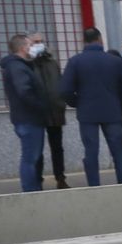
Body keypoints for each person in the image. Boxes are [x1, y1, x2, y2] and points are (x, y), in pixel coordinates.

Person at [60, 27, 122, 185]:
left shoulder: (75, 61)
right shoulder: (115, 61)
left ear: (84, 41)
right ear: (101, 40)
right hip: (112, 112)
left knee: (91, 152)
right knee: (118, 151)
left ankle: (94, 186)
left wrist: (77, 103)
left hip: (87, 113)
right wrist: (117, 101)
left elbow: (65, 90)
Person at [0, 33, 47, 193]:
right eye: (30, 44)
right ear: (22, 48)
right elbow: (24, 92)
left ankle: (33, 189)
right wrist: (41, 105)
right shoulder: (17, 67)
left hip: (28, 118)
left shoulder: (20, 65)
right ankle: (30, 192)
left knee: (32, 157)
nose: (33, 47)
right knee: (30, 158)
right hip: (28, 118)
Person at [27, 31, 70, 188]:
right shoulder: (27, 64)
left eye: (41, 41)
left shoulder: (52, 62)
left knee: (57, 147)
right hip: (36, 113)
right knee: (37, 149)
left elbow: (59, 82)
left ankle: (60, 177)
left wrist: (61, 103)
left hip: (55, 110)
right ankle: (37, 179)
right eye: (35, 41)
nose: (39, 44)